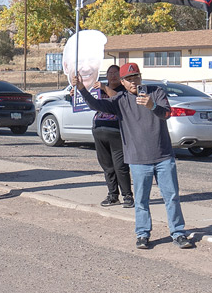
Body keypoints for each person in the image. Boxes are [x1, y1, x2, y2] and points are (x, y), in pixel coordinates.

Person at [75, 63, 194, 249]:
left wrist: (151, 105)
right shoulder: (120, 100)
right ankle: (142, 234)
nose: (133, 82)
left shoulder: (156, 92)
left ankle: (178, 233)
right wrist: (82, 89)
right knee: (141, 200)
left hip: (163, 156)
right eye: (128, 79)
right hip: (138, 159)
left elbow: (167, 113)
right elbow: (95, 104)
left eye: (136, 77)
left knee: (171, 197)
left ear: (141, 77)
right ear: (122, 82)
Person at [92, 65, 134, 208]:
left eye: (116, 73)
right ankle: (112, 195)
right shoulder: (98, 89)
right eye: (110, 73)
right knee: (107, 166)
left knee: (120, 166)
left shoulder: (124, 90)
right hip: (99, 130)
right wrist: (77, 94)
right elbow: (89, 102)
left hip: (117, 132)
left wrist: (104, 88)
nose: (112, 76)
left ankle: (127, 195)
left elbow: (116, 98)